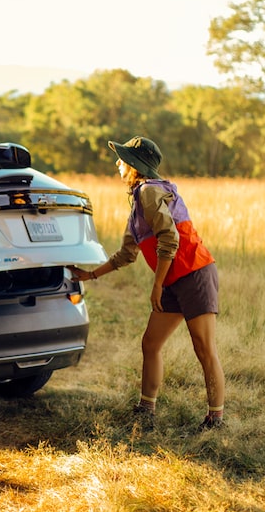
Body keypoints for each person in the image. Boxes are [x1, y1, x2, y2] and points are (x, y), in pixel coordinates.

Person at [69, 136, 225, 432]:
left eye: (123, 159)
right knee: (151, 343)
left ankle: (215, 419)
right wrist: (89, 275)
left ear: (135, 167)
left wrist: (157, 286)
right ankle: (146, 409)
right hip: (173, 279)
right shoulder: (138, 203)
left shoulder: (149, 193)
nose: (118, 163)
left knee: (204, 347)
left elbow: (170, 239)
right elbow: (127, 254)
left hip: (194, 273)